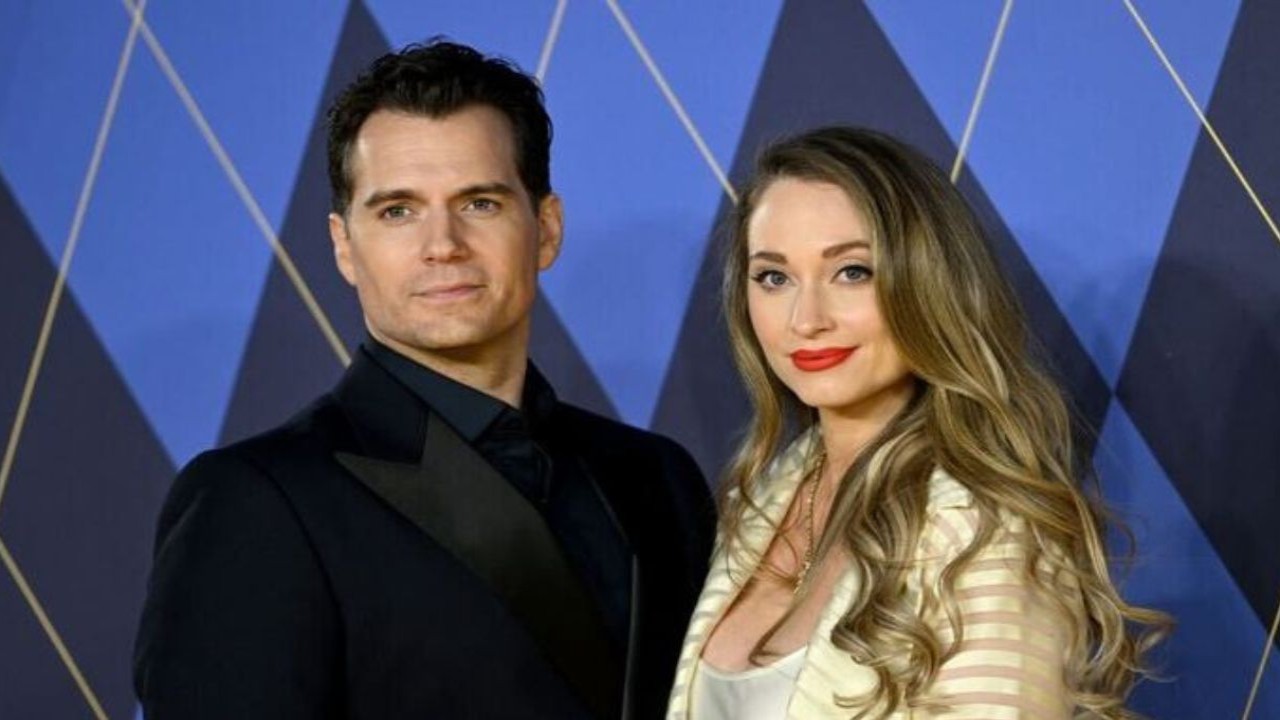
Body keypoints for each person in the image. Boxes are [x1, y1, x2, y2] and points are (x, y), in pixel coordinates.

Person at [133, 39, 714, 720]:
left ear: (547, 229)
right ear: (344, 246)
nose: (443, 245)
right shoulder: (256, 503)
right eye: (398, 211)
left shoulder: (658, 476)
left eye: (480, 203)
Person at [666, 127, 1170, 719]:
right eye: (774, 277)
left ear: (928, 281)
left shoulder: (988, 525)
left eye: (851, 271)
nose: (806, 319)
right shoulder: (769, 494)